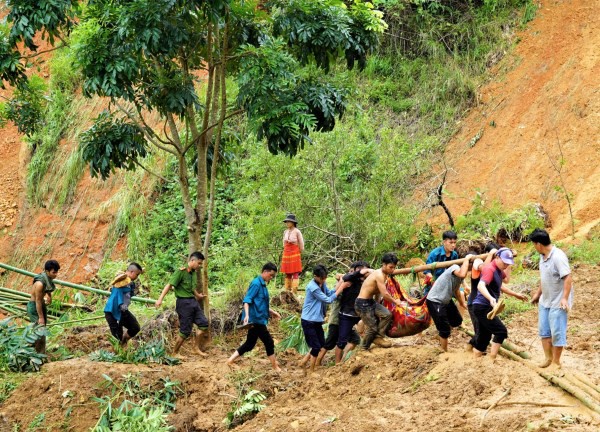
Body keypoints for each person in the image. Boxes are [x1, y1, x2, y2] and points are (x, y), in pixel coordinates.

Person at [472, 248, 527, 360]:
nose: (506, 265)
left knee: (484, 336)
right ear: (496, 257)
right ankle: (492, 359)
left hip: (483, 306)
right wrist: (491, 298)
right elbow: (480, 286)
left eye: (508, 263)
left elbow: (504, 283)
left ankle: (475, 359)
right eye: (504, 262)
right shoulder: (490, 269)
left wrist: (516, 294)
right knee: (501, 331)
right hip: (483, 306)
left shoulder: (498, 270)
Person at [529, 228, 573, 369]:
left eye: (534, 244)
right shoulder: (543, 256)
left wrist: (565, 299)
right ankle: (548, 358)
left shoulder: (558, 256)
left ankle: (556, 362)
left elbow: (568, 277)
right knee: (544, 332)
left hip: (558, 302)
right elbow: (544, 278)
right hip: (545, 301)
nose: (534, 247)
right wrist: (538, 294)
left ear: (538, 244)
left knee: (557, 332)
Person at [227, 263, 282, 372]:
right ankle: (275, 367)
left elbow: (261, 304)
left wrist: (273, 312)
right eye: (270, 275)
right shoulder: (256, 284)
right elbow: (247, 301)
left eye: (273, 276)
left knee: (249, 344)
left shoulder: (263, 285)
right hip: (255, 320)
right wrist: (247, 315)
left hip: (260, 318)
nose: (271, 278)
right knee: (269, 342)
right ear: (265, 271)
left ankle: (230, 360)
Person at [155, 252, 209, 358]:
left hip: (193, 302)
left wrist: (198, 295)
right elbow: (169, 285)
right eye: (199, 263)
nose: (199, 266)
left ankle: (195, 348)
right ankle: (175, 352)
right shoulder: (180, 272)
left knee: (203, 324)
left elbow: (191, 287)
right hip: (183, 303)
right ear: (192, 261)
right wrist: (160, 299)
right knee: (185, 331)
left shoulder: (193, 273)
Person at [300, 264, 346, 373]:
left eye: (325, 277)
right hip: (308, 320)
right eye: (322, 278)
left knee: (321, 344)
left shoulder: (321, 284)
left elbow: (330, 292)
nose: (323, 280)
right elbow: (328, 299)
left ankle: (304, 362)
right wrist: (342, 287)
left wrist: (340, 282)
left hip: (316, 320)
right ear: (315, 276)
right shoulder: (313, 287)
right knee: (316, 347)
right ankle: (311, 370)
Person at [355, 253, 404, 350]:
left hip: (370, 302)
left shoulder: (385, 275)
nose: (392, 270)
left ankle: (378, 336)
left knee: (387, 315)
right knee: (372, 327)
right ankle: (363, 348)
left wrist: (377, 304)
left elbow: (377, 292)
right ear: (384, 264)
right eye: (390, 267)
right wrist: (396, 301)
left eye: (394, 267)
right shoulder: (379, 275)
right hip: (362, 304)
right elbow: (385, 294)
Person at [426, 254, 473, 351]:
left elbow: (456, 291)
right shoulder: (455, 267)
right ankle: (444, 350)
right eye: (471, 264)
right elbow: (462, 274)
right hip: (435, 301)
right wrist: (467, 259)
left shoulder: (460, 276)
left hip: (445, 300)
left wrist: (462, 303)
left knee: (457, 321)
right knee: (444, 329)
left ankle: (442, 335)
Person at [335, 261, 372, 363]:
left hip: (360, 314)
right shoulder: (350, 278)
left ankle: (343, 360)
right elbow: (345, 278)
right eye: (362, 271)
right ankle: (337, 364)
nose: (364, 273)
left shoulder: (368, 282)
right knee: (341, 341)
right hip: (346, 314)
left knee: (358, 339)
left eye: (366, 271)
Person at [466, 245, 497, 351]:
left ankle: (474, 347)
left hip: (484, 304)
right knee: (480, 331)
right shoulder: (477, 262)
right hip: (474, 303)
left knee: (485, 329)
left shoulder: (493, 268)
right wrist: (490, 254)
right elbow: (484, 268)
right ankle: (473, 348)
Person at [104, 262, 143, 346]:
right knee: (117, 336)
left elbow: (130, 294)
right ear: (132, 272)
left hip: (123, 310)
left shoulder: (130, 283)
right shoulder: (121, 280)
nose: (137, 277)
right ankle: (118, 349)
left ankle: (124, 342)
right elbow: (117, 292)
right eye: (137, 274)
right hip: (112, 310)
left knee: (135, 327)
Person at [28, 259, 60, 354]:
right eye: (54, 272)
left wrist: (49, 296)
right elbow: (37, 301)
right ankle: (38, 355)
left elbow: (48, 287)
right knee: (40, 330)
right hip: (35, 307)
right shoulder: (40, 284)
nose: (56, 274)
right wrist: (41, 317)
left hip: (40, 304)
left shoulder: (46, 278)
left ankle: (39, 352)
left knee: (42, 329)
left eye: (57, 272)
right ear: (47, 271)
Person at [423, 230, 459, 295]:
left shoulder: (454, 255)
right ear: (444, 242)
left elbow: (457, 271)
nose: (453, 245)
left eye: (454, 242)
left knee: (461, 293)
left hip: (449, 283)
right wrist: (434, 282)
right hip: (435, 283)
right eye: (450, 242)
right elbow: (427, 271)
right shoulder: (435, 253)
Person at [280, 213, 304, 294]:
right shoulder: (285, 232)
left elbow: (301, 242)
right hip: (287, 252)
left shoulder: (297, 231)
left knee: (295, 272)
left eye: (288, 222)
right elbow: (284, 242)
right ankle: (287, 291)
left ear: (293, 222)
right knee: (287, 272)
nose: (287, 223)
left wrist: (300, 251)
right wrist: (285, 249)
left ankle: (294, 291)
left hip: (295, 252)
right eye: (286, 222)